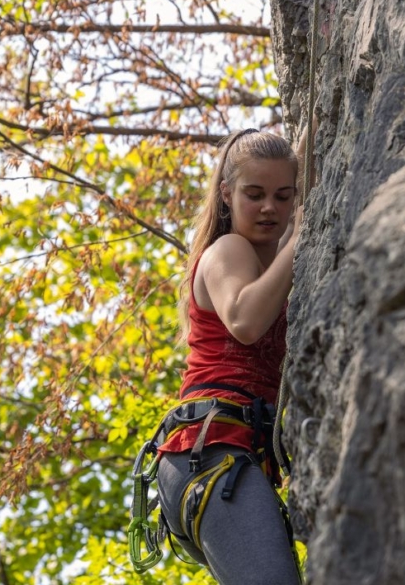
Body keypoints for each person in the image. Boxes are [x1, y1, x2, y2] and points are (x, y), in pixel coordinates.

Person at [153, 128, 304, 585]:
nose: (269, 208)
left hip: (229, 458)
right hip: (210, 448)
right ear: (225, 193)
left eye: (283, 196)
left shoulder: (267, 261)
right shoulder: (228, 249)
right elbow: (243, 319)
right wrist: (300, 240)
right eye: (253, 194)